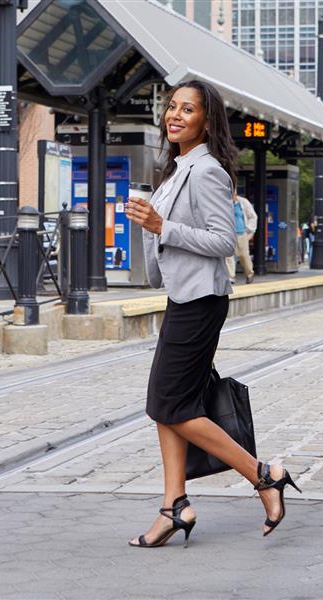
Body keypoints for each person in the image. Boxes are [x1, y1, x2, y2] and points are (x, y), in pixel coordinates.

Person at [125, 80, 300, 549]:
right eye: (172, 107)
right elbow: (170, 237)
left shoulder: (207, 171)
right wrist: (150, 223)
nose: (175, 115)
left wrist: (163, 225)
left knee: (170, 405)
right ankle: (174, 506)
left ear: (206, 120)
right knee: (168, 404)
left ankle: (264, 475)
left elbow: (224, 241)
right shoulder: (178, 168)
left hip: (201, 302)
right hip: (184, 297)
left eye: (188, 109)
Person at [226, 191, 256, 284]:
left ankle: (249, 274)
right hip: (229, 234)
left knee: (243, 255)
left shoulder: (243, 202)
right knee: (228, 256)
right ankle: (231, 277)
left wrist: (250, 230)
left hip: (242, 233)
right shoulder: (225, 203)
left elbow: (252, 216)